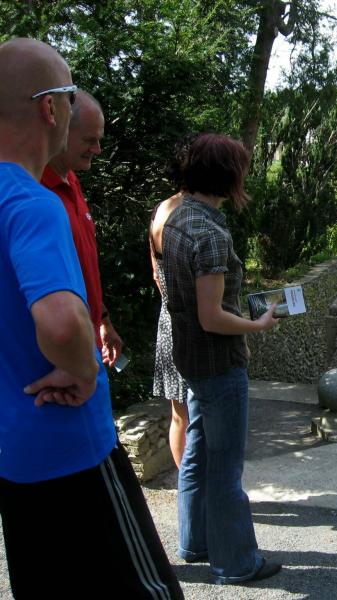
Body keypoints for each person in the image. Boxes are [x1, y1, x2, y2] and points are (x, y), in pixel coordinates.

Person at [0, 37, 182, 598]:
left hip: (14, 454)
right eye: (68, 96)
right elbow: (59, 323)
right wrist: (81, 368)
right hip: (69, 443)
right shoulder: (32, 204)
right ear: (49, 109)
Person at [162, 133, 282, 585]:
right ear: (228, 176)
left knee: (197, 451)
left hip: (190, 359)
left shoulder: (178, 218)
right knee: (226, 468)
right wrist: (258, 325)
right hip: (219, 364)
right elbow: (211, 317)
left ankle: (195, 542)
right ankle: (237, 563)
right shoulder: (210, 233)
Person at [41, 90, 124, 366]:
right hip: (60, 359)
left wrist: (103, 320)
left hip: (88, 345)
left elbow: (83, 265)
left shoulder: (72, 181)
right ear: (61, 129)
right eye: (89, 140)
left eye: (99, 140)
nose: (97, 149)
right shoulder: (35, 192)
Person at [150, 139, 193, 469]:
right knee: (200, 415)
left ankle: (186, 485)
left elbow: (156, 274)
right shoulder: (190, 214)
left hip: (168, 319)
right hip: (191, 325)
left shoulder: (161, 209)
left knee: (179, 415)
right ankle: (198, 485)